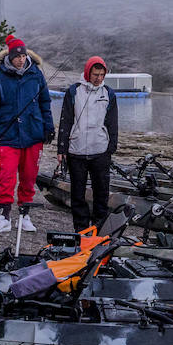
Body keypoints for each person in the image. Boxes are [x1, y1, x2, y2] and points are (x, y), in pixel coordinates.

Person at [0, 34, 53, 233]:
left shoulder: (36, 74)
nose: (21, 59)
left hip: (33, 133)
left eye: (23, 56)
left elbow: (45, 103)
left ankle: (24, 214)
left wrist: (49, 127)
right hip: (8, 134)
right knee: (6, 176)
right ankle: (5, 215)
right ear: (10, 56)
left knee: (29, 176)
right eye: (17, 56)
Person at [56, 55, 119, 232]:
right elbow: (66, 120)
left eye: (101, 75)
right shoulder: (74, 91)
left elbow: (112, 123)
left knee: (101, 195)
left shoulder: (109, 94)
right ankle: (81, 231)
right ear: (87, 73)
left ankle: (99, 230)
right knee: (78, 195)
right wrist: (62, 148)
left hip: (100, 151)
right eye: (95, 74)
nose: (98, 78)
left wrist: (111, 148)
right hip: (77, 152)